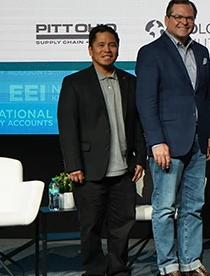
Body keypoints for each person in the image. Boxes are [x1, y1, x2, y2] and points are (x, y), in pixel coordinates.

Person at [136, 0, 210, 276]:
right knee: (164, 208)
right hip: (167, 144)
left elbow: (207, 97)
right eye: (178, 17)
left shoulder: (202, 51)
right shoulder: (151, 52)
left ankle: (191, 262)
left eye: (189, 17)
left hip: (198, 142)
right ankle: (168, 265)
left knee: (193, 207)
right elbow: (146, 102)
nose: (184, 22)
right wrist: (155, 141)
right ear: (167, 19)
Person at [57, 24, 146, 276]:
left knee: (121, 226)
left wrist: (140, 157)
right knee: (91, 227)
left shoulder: (130, 81)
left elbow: (137, 123)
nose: (107, 50)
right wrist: (72, 164)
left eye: (112, 45)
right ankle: (94, 270)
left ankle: (118, 270)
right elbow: (67, 127)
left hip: (123, 170)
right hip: (88, 169)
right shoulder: (74, 82)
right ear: (90, 49)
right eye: (101, 45)